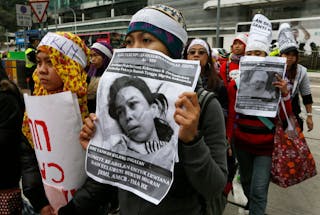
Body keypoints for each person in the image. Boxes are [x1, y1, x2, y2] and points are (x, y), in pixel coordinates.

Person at [58, 4, 228, 215]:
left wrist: (191, 141)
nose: (135, 48)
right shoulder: (116, 96)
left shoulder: (203, 105)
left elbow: (214, 188)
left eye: (146, 40)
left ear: (172, 48)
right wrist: (97, 148)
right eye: (129, 41)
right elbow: (112, 181)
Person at [228, 14, 293, 215]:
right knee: (247, 183)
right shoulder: (235, 82)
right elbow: (231, 114)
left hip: (265, 145)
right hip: (241, 143)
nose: (255, 56)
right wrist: (228, 140)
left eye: (260, 52)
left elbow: (286, 117)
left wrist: (285, 94)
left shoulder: (276, 81)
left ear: (265, 55)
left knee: (258, 191)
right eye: (252, 52)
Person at [278, 23, 314, 132]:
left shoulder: (301, 72)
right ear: (281, 55)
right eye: (287, 54)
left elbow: (306, 94)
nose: (290, 58)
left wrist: (309, 116)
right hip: (273, 116)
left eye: (293, 55)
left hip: (292, 114)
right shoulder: (272, 68)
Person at [87, 42, 113, 113]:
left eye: (95, 55)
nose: (92, 59)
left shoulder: (112, 76)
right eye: (91, 56)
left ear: (105, 57)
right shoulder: (89, 73)